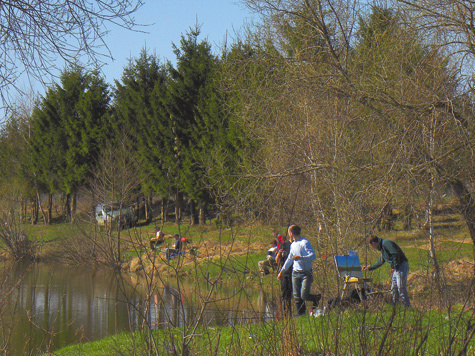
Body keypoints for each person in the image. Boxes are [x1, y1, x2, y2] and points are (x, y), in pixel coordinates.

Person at [277, 225, 321, 316]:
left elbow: (313, 256)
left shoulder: (304, 242)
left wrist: (300, 258)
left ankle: (316, 298)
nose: (288, 234)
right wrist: (282, 271)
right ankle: (301, 315)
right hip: (295, 273)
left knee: (304, 295)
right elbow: (289, 259)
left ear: (291, 233)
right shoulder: (293, 245)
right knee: (297, 296)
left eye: (289, 232)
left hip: (306, 273)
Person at [362, 234, 410, 307]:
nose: (372, 248)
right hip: (396, 268)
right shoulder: (382, 248)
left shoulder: (386, 243)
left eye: (371, 246)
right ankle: (394, 307)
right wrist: (370, 268)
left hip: (401, 266)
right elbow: (381, 261)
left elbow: (395, 254)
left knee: (401, 288)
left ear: (374, 243)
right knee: (394, 289)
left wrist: (394, 267)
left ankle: (407, 307)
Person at [275, 233, 293, 317]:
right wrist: (279, 254)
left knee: (297, 295)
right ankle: (286, 314)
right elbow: (277, 261)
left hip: (295, 272)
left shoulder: (298, 245)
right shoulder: (283, 245)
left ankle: (300, 314)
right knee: (285, 295)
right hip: (285, 273)